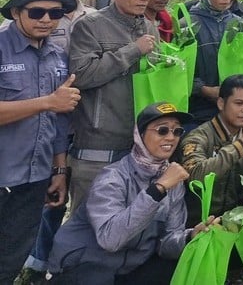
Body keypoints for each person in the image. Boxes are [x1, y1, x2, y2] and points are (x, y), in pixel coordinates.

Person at [46, 103, 215, 285]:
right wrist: (157, 189)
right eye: (162, 130)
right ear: (140, 135)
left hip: (130, 268)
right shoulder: (113, 177)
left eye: (177, 131)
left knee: (174, 266)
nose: (170, 137)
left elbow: (166, 242)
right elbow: (110, 240)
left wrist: (190, 236)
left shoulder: (172, 180)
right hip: (85, 264)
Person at [0, 0, 79, 284]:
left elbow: (59, 121)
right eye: (36, 12)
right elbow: (53, 105)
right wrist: (47, 102)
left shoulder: (57, 56)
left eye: (55, 13)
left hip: (34, 178)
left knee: (11, 257)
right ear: (16, 12)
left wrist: (59, 170)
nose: (46, 19)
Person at [68, 0, 161, 212]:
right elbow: (81, 75)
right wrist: (133, 51)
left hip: (138, 146)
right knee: (86, 221)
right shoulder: (90, 25)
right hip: (97, 146)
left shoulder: (150, 28)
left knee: (129, 221)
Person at [179, 74, 243, 223]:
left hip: (232, 223)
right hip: (193, 225)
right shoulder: (198, 137)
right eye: (239, 103)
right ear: (221, 103)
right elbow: (196, 177)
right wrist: (241, 145)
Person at [188, 0, 242, 125]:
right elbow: (181, 69)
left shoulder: (238, 23)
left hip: (231, 105)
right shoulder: (188, 24)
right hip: (197, 109)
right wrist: (202, 89)